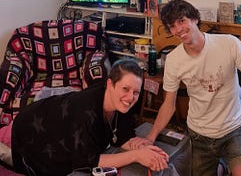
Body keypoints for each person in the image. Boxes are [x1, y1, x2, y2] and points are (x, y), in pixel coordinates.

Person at [129, 0, 241, 176]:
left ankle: (225, 164)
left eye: (182, 21)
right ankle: (222, 166)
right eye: (172, 26)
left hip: (234, 130)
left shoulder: (228, 44)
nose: (178, 29)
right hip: (199, 134)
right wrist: (150, 136)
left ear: (194, 19)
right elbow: (169, 104)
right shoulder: (173, 60)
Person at [0, 58, 169, 175]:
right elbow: (89, 161)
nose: (130, 97)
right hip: (30, 128)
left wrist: (148, 151)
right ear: (110, 84)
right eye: (125, 89)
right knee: (22, 161)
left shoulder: (124, 103)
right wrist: (137, 155)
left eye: (136, 92)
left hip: (57, 120)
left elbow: (122, 137)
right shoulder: (87, 110)